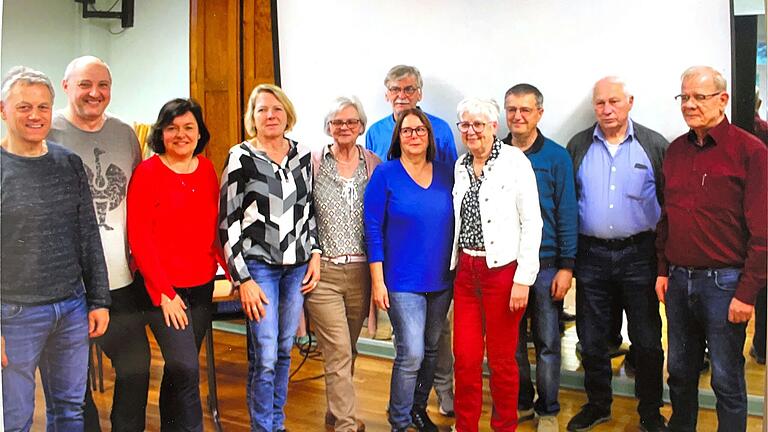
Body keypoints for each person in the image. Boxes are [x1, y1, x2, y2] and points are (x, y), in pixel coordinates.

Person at [655, 66, 767, 432]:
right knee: (681, 373)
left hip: (725, 285)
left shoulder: (750, 152)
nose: (689, 105)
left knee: (725, 377)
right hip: (678, 280)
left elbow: (763, 231)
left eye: (698, 97)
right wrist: (661, 269)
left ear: (723, 100)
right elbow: (666, 218)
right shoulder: (674, 151)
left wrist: (747, 294)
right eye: (684, 97)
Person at [1, 66, 110, 431]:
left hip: (71, 308)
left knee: (69, 410)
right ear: (3, 110)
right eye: (24, 107)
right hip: (14, 315)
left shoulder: (68, 163)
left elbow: (87, 235)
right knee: (14, 420)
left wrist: (98, 300)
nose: (36, 116)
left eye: (43, 107)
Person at [47, 55, 149, 432]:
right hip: (68, 282)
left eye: (103, 85)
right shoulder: (48, 131)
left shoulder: (125, 134)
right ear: (66, 86)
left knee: (136, 366)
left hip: (119, 279)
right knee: (74, 383)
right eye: (85, 84)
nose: (95, 93)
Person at [565, 76, 668, 432]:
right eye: (600, 103)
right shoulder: (578, 146)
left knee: (647, 340)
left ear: (630, 102)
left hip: (639, 255)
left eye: (614, 101)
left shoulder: (653, 145)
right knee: (591, 339)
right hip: (591, 256)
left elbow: (669, 207)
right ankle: (598, 405)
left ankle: (650, 411)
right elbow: (567, 205)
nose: (607, 109)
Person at [219, 84, 321, 432]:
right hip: (258, 267)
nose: (271, 115)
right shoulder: (240, 157)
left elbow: (310, 212)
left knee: (283, 350)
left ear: (287, 113)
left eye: (277, 109)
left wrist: (316, 254)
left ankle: (277, 422)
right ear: (253, 117)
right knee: (264, 355)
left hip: (297, 267)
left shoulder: (303, 155)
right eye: (262, 110)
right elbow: (228, 222)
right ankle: (264, 427)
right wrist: (242, 279)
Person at [365, 63, 458, 417]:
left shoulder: (447, 171)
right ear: (397, 137)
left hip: (440, 277)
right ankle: (400, 420)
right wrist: (377, 281)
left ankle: (419, 412)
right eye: (407, 131)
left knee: (432, 349)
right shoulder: (385, 173)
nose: (415, 134)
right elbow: (372, 227)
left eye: (421, 130)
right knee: (412, 352)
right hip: (402, 278)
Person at [127, 98, 224, 431]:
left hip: (200, 286)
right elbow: (139, 238)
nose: (180, 135)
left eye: (188, 128)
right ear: (161, 133)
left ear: (199, 133)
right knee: (185, 368)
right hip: (162, 290)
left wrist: (235, 273)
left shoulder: (207, 169)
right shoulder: (147, 173)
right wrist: (165, 293)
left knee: (179, 367)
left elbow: (214, 231)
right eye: (172, 128)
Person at [451, 97, 542, 432]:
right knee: (466, 357)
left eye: (479, 124)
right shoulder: (460, 166)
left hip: (503, 273)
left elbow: (533, 222)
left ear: (493, 127)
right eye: (465, 125)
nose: (472, 131)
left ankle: (504, 426)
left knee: (503, 361)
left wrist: (524, 279)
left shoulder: (515, 161)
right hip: (466, 272)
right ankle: (466, 427)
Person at [501, 84, 577, 432]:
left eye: (525, 110)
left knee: (548, 341)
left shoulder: (557, 157)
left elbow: (566, 213)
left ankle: (548, 408)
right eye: (511, 109)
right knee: (512, 342)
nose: (517, 116)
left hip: (547, 267)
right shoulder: (495, 153)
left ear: (539, 114)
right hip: (506, 266)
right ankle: (522, 400)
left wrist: (566, 266)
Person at [307, 96, 381, 432]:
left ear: (362, 126)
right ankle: (347, 426)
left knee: (347, 349)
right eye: (337, 122)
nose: (344, 128)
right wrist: (313, 253)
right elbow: (302, 214)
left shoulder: (374, 164)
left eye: (351, 122)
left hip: (362, 273)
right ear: (328, 127)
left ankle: (335, 415)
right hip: (324, 272)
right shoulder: (313, 163)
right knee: (337, 349)